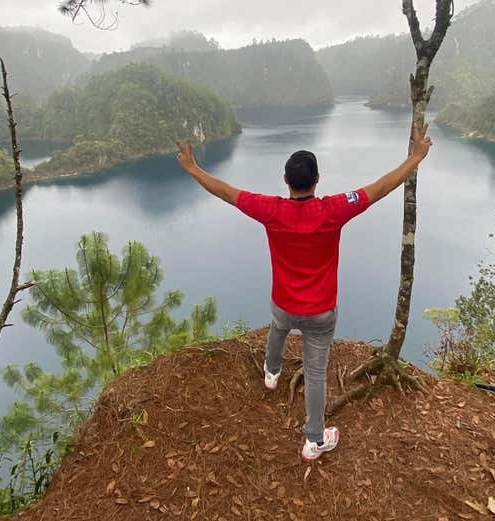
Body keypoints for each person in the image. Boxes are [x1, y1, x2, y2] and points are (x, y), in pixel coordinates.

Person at [174, 122, 432, 461]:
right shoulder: (333, 210)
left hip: (283, 303)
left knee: (278, 327)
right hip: (321, 313)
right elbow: (379, 188)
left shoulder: (271, 210)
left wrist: (193, 168)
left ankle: (271, 371)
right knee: (314, 373)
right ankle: (314, 440)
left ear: (285, 181)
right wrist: (414, 158)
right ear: (317, 180)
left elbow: (226, 192)